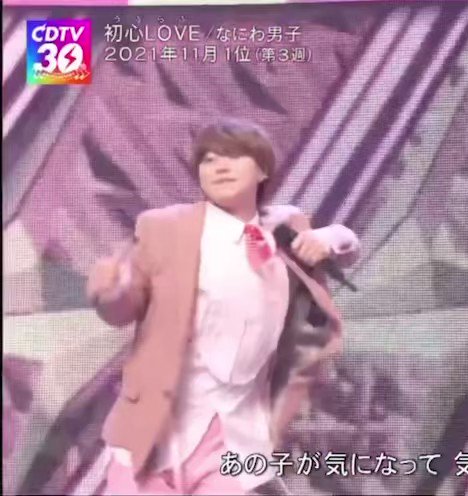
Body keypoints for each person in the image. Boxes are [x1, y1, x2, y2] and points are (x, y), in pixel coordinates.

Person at [86, 119, 361, 495]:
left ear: (261, 170)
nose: (219, 166)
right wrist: (111, 291)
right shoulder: (163, 228)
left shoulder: (281, 226)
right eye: (210, 159)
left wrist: (329, 238)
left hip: (232, 434)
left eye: (233, 156)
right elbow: (123, 307)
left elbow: (345, 244)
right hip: (155, 428)